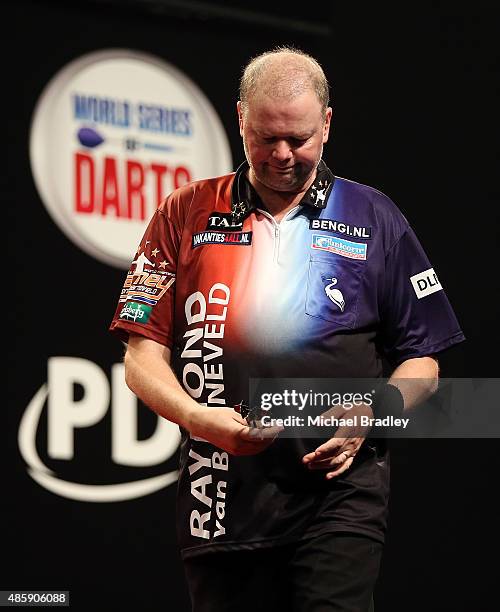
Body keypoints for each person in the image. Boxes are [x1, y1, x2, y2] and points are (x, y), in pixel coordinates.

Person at [109, 46, 465, 611]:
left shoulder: (376, 218)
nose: (280, 155)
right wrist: (198, 418)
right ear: (240, 119)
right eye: (264, 138)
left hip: (339, 495)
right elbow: (139, 359)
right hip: (220, 497)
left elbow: (425, 362)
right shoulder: (183, 211)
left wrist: (374, 410)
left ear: (326, 123)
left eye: (297, 139)